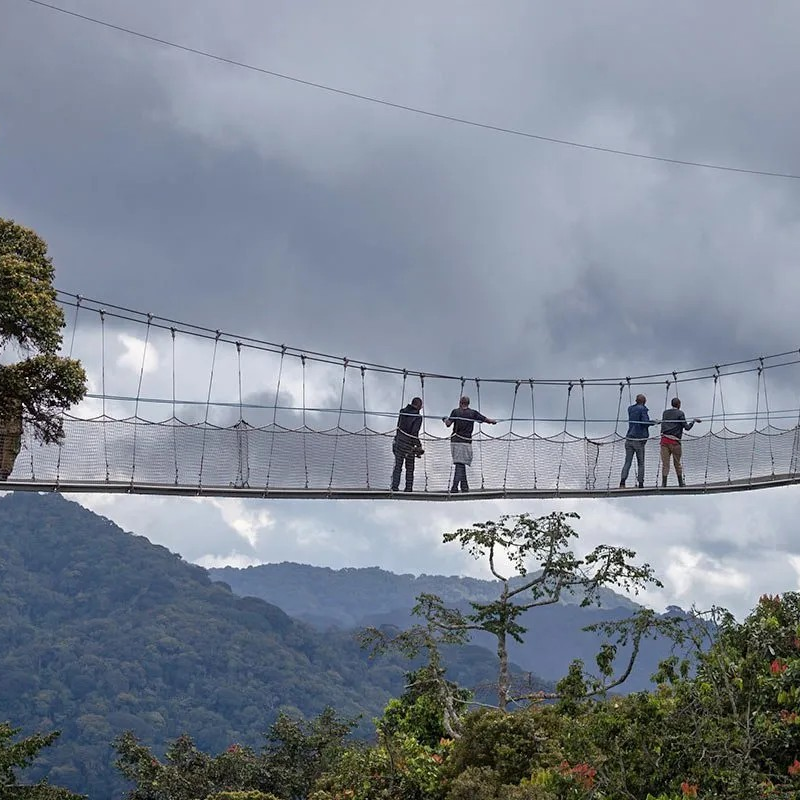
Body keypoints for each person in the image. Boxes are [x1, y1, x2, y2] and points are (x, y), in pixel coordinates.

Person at [443, 396, 497, 493]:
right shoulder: (473, 413)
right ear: (468, 403)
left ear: (460, 402)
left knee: (459, 463)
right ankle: (462, 487)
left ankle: (457, 487)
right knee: (461, 463)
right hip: (466, 441)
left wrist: (444, 419)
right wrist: (493, 422)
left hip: (455, 440)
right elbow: (485, 419)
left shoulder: (455, 412)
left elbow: (448, 424)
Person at [660, 397, 701, 487]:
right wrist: (693, 421)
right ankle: (680, 483)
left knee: (665, 464)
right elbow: (687, 428)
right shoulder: (680, 413)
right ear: (678, 404)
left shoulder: (665, 413)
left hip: (664, 442)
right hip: (675, 442)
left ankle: (664, 484)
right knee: (677, 463)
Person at [619, 394, 658, 488]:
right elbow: (644, 422)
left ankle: (622, 482)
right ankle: (641, 483)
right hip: (639, 440)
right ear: (644, 401)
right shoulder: (643, 409)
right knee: (641, 463)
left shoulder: (630, 409)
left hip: (629, 438)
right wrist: (654, 422)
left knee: (627, 461)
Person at [391, 397, 424, 492]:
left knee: (398, 466)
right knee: (409, 468)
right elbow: (414, 433)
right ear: (419, 406)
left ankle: (394, 487)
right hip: (409, 445)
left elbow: (400, 427)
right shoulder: (418, 417)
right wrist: (418, 445)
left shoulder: (402, 412)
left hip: (398, 442)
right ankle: (408, 488)